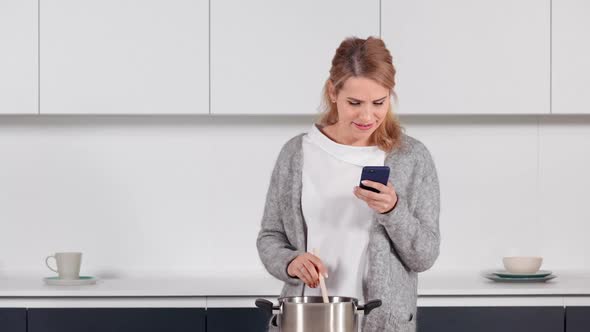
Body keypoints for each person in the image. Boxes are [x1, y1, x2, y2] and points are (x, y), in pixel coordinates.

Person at [256, 36, 440, 332]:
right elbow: (270, 237)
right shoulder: (296, 154)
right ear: (333, 92)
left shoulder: (411, 158)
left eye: (379, 102)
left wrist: (393, 210)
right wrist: (290, 262)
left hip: (382, 324)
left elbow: (425, 255)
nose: (367, 116)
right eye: (355, 103)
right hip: (305, 320)